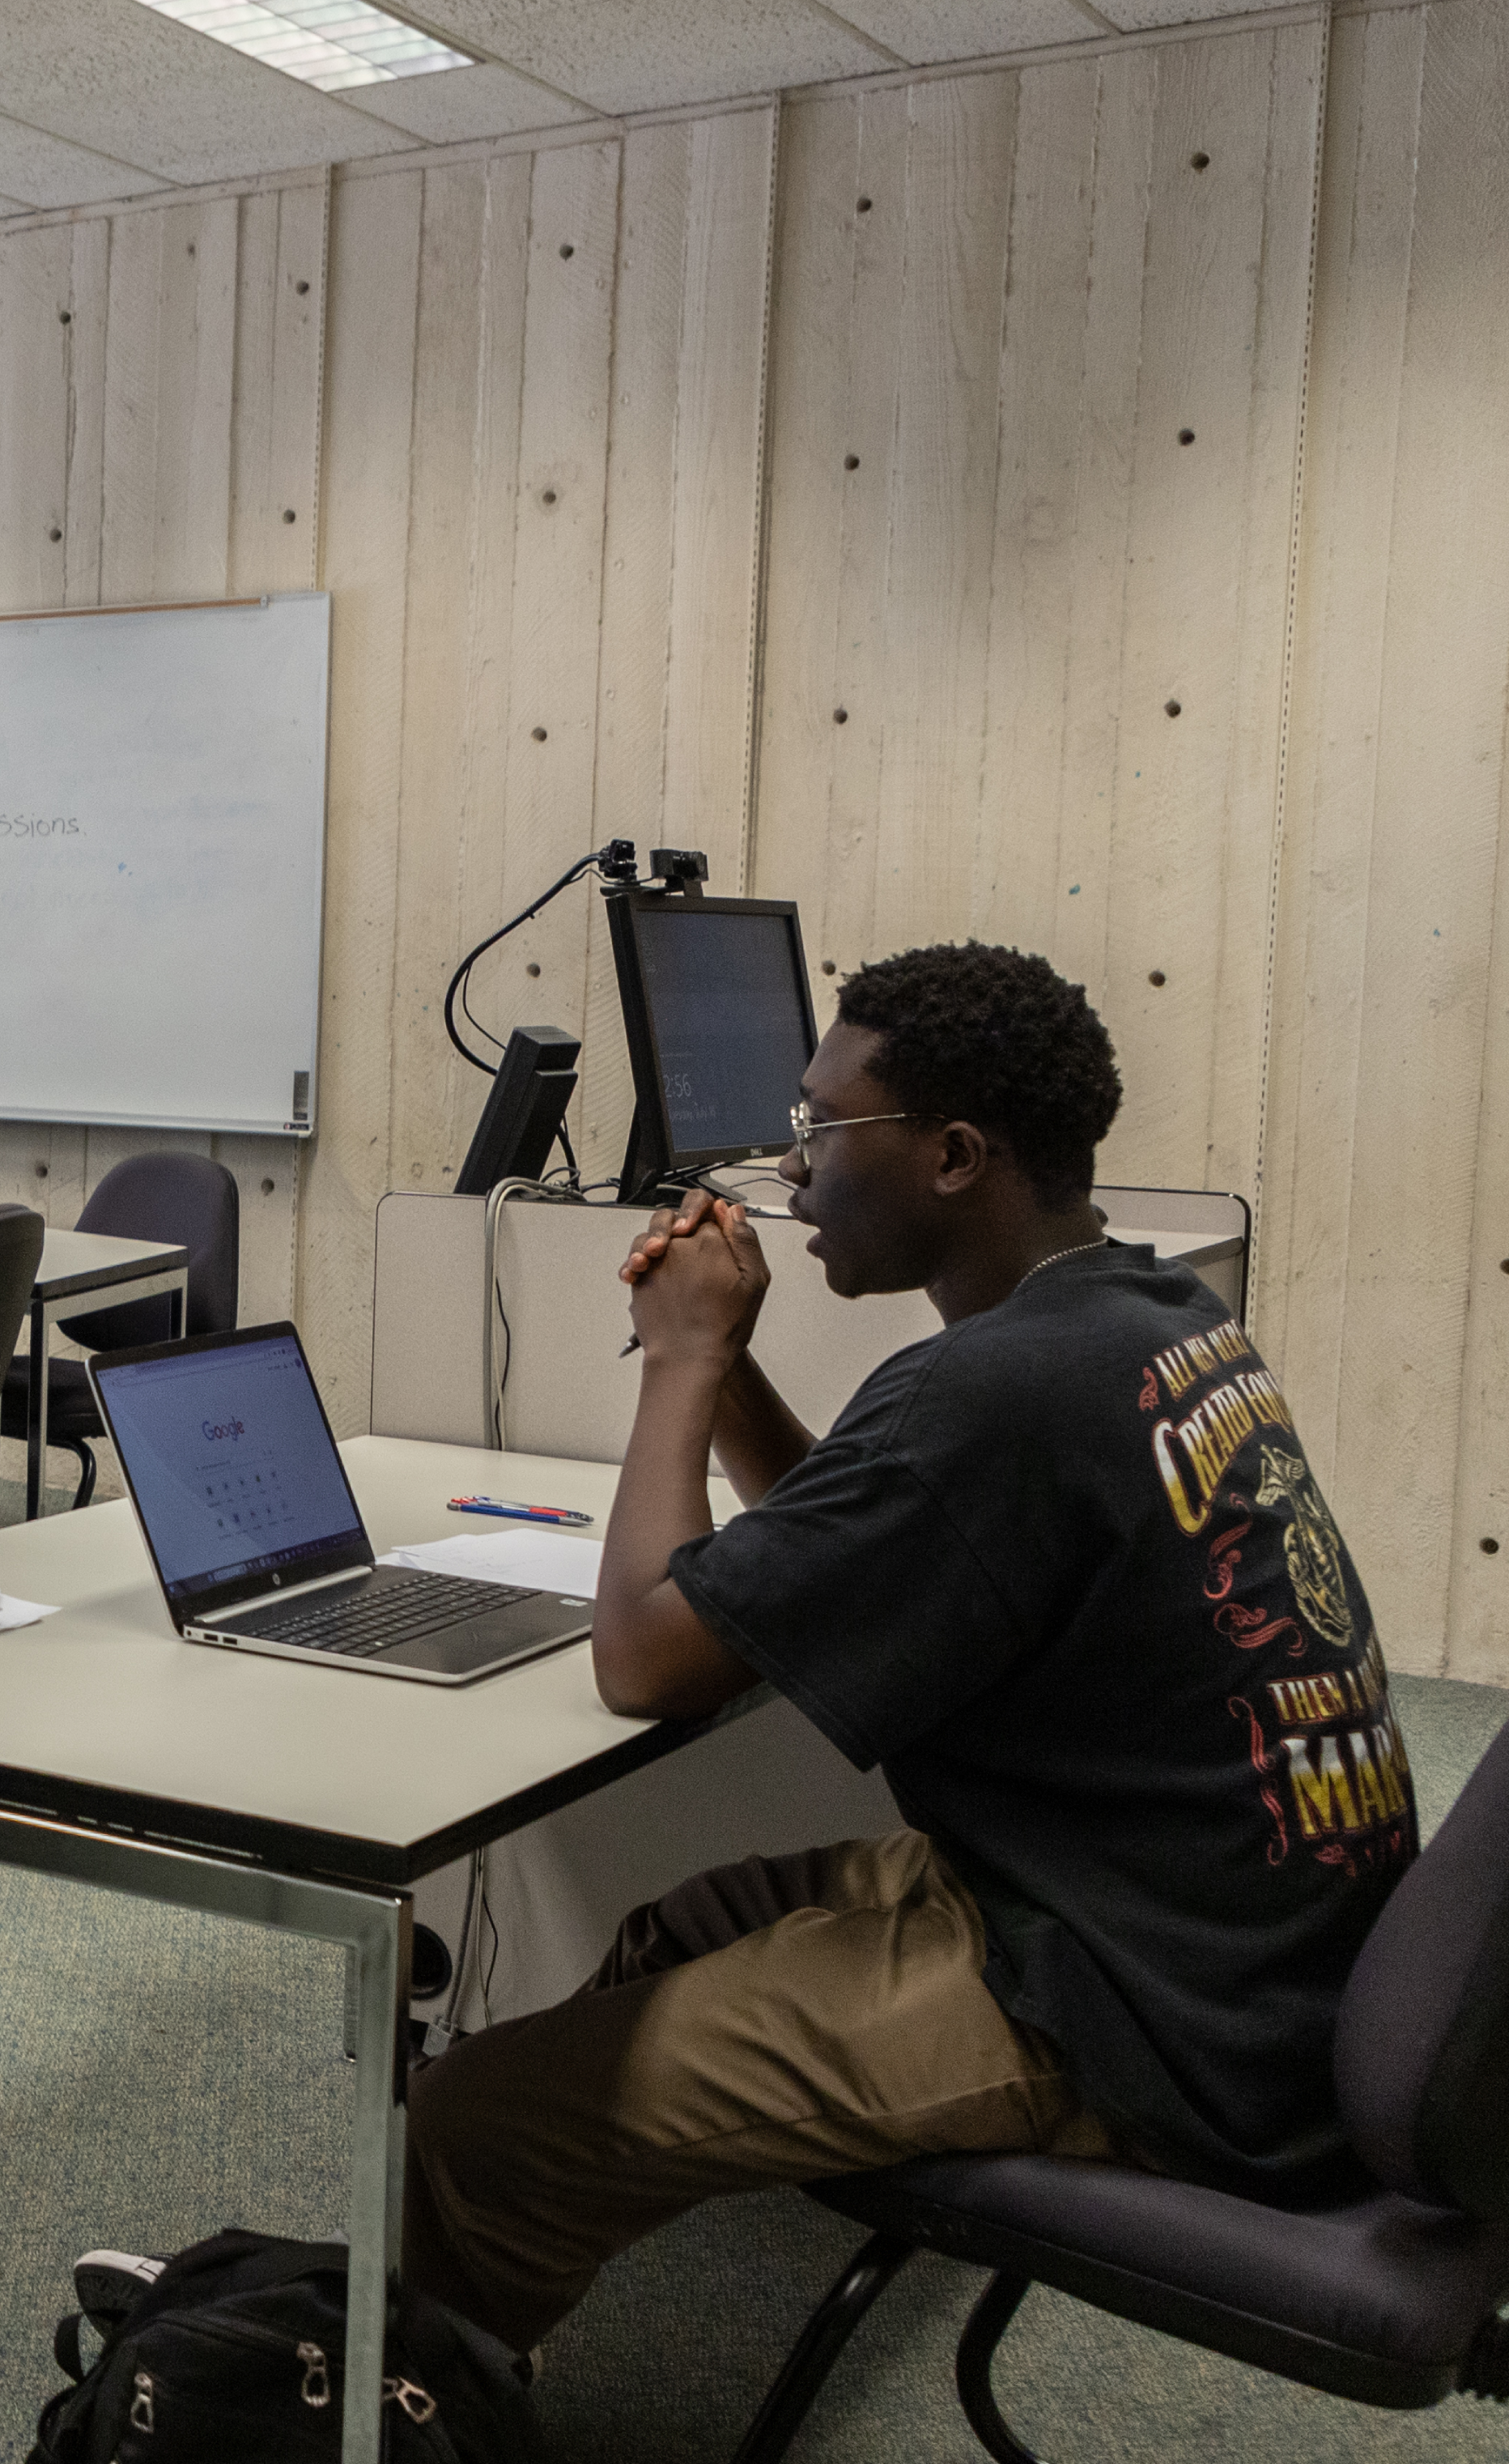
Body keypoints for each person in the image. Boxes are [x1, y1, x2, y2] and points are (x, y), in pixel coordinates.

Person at [402, 943, 1417, 2355]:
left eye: (822, 1131)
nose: (792, 1169)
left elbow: (642, 1656)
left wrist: (686, 1360)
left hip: (1146, 2019)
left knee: (469, 2119)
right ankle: (489, 2304)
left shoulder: (987, 1389)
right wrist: (736, 1361)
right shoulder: (1135, 1315)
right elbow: (878, 1533)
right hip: (1230, 1941)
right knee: (676, 1929)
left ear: (950, 1155)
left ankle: (413, 2392)